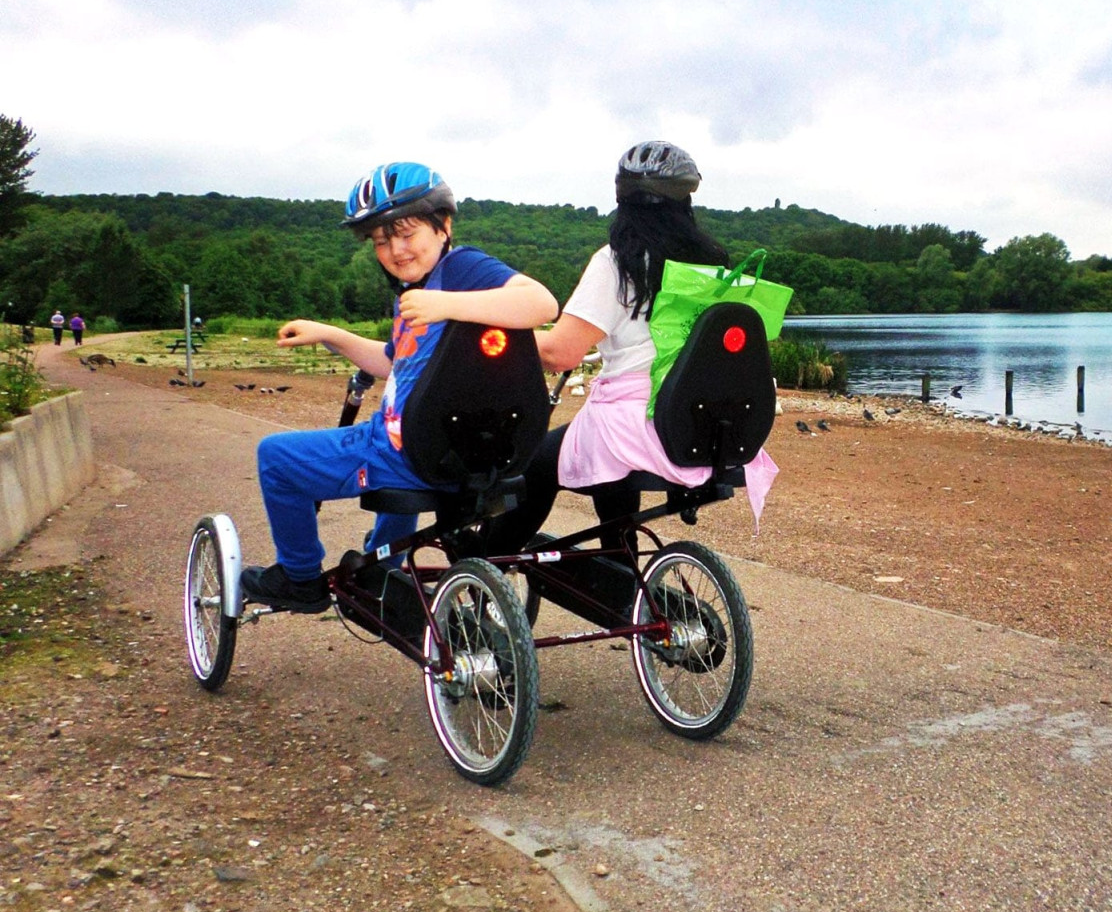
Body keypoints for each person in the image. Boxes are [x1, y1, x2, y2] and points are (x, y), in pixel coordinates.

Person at [240, 162, 559, 613]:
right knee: (392, 432)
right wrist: (330, 333)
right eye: (381, 240)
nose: (395, 249)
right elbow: (393, 362)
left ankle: (299, 578)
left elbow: (541, 303)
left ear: (443, 226)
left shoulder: (460, 268)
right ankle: (387, 569)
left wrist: (443, 303)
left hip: (411, 450)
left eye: (406, 234)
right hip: (447, 449)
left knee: (275, 457)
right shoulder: (414, 290)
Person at [485, 141, 776, 557]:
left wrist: (501, 333)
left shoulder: (617, 262)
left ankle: (484, 568)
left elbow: (561, 353)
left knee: (537, 462)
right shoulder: (713, 264)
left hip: (641, 422)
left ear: (622, 200)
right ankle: (620, 563)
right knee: (605, 443)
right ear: (685, 201)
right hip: (703, 423)